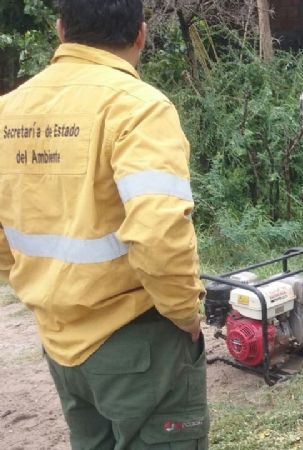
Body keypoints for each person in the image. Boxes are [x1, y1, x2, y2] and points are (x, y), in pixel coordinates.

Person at [0, 1, 208, 448]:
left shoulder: (8, 110)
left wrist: (43, 290)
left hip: (59, 344)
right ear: (141, 35)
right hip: (138, 342)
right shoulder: (139, 107)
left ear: (59, 31)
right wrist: (185, 312)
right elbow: (157, 234)